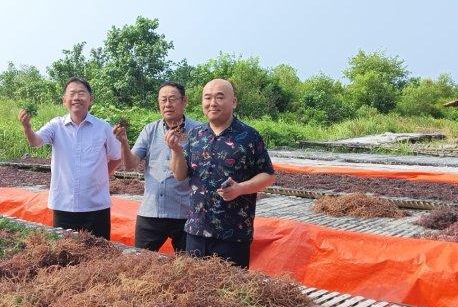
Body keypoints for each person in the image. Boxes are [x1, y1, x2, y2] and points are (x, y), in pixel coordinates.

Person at [165, 79, 275, 268]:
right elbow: (180, 175)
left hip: (233, 235)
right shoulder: (195, 134)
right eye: (207, 98)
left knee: (231, 292)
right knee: (195, 288)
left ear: (233, 102)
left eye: (219, 97)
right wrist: (175, 150)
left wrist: (240, 188)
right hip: (195, 231)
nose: (212, 103)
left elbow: (268, 175)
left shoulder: (249, 136)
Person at [19, 77, 121, 239]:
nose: (76, 98)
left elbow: (117, 157)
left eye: (81, 93)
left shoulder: (103, 128)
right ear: (64, 100)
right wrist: (27, 128)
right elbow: (36, 142)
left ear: (91, 99)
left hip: (95, 206)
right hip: (63, 206)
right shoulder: (56, 125)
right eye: (72, 93)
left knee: (99, 254)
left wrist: (102, 176)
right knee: (65, 255)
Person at [114, 82, 201, 252]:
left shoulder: (199, 131)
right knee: (141, 263)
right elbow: (131, 165)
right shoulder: (150, 130)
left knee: (189, 267)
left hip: (186, 212)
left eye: (172, 99)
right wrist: (124, 142)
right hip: (151, 211)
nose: (167, 104)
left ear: (184, 101)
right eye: (163, 100)